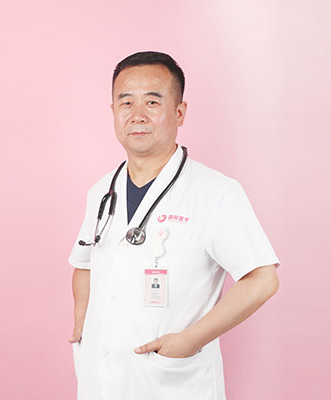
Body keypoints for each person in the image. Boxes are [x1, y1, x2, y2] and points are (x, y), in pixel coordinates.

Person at [67, 51, 281, 400]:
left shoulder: (215, 192)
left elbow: (262, 279)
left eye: (152, 102)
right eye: (126, 102)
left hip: (171, 380)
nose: (137, 115)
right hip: (101, 381)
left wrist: (190, 341)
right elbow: (84, 264)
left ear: (179, 112)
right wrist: (83, 323)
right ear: (113, 111)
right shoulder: (102, 192)